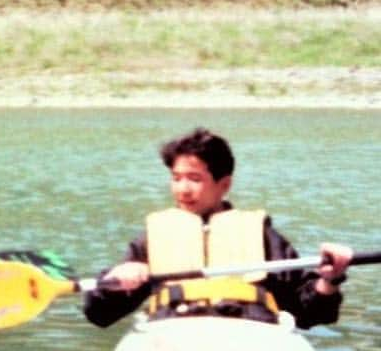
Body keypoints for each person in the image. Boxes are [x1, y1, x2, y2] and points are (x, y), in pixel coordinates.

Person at [83, 127, 353, 330]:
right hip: (175, 339)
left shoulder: (261, 236)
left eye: (195, 179)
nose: (183, 189)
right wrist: (116, 282)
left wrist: (329, 279)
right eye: (176, 178)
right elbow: (99, 314)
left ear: (224, 184)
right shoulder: (152, 240)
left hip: (246, 337)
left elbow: (311, 314)